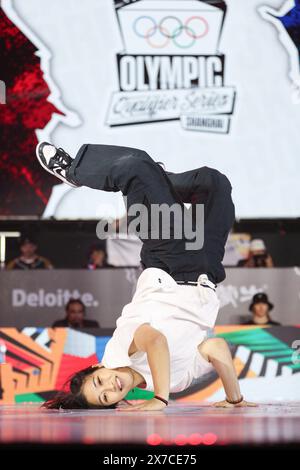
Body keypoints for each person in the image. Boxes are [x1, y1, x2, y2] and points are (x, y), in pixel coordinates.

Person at [36, 141, 256, 411]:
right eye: (106, 397)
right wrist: (235, 398)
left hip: (170, 264)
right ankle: (156, 182)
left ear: (97, 367)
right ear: (115, 403)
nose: (110, 386)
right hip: (205, 272)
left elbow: (155, 341)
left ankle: (73, 171)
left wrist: (161, 399)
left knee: (136, 167)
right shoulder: (177, 381)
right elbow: (217, 348)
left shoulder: (118, 353)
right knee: (213, 184)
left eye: (99, 382)